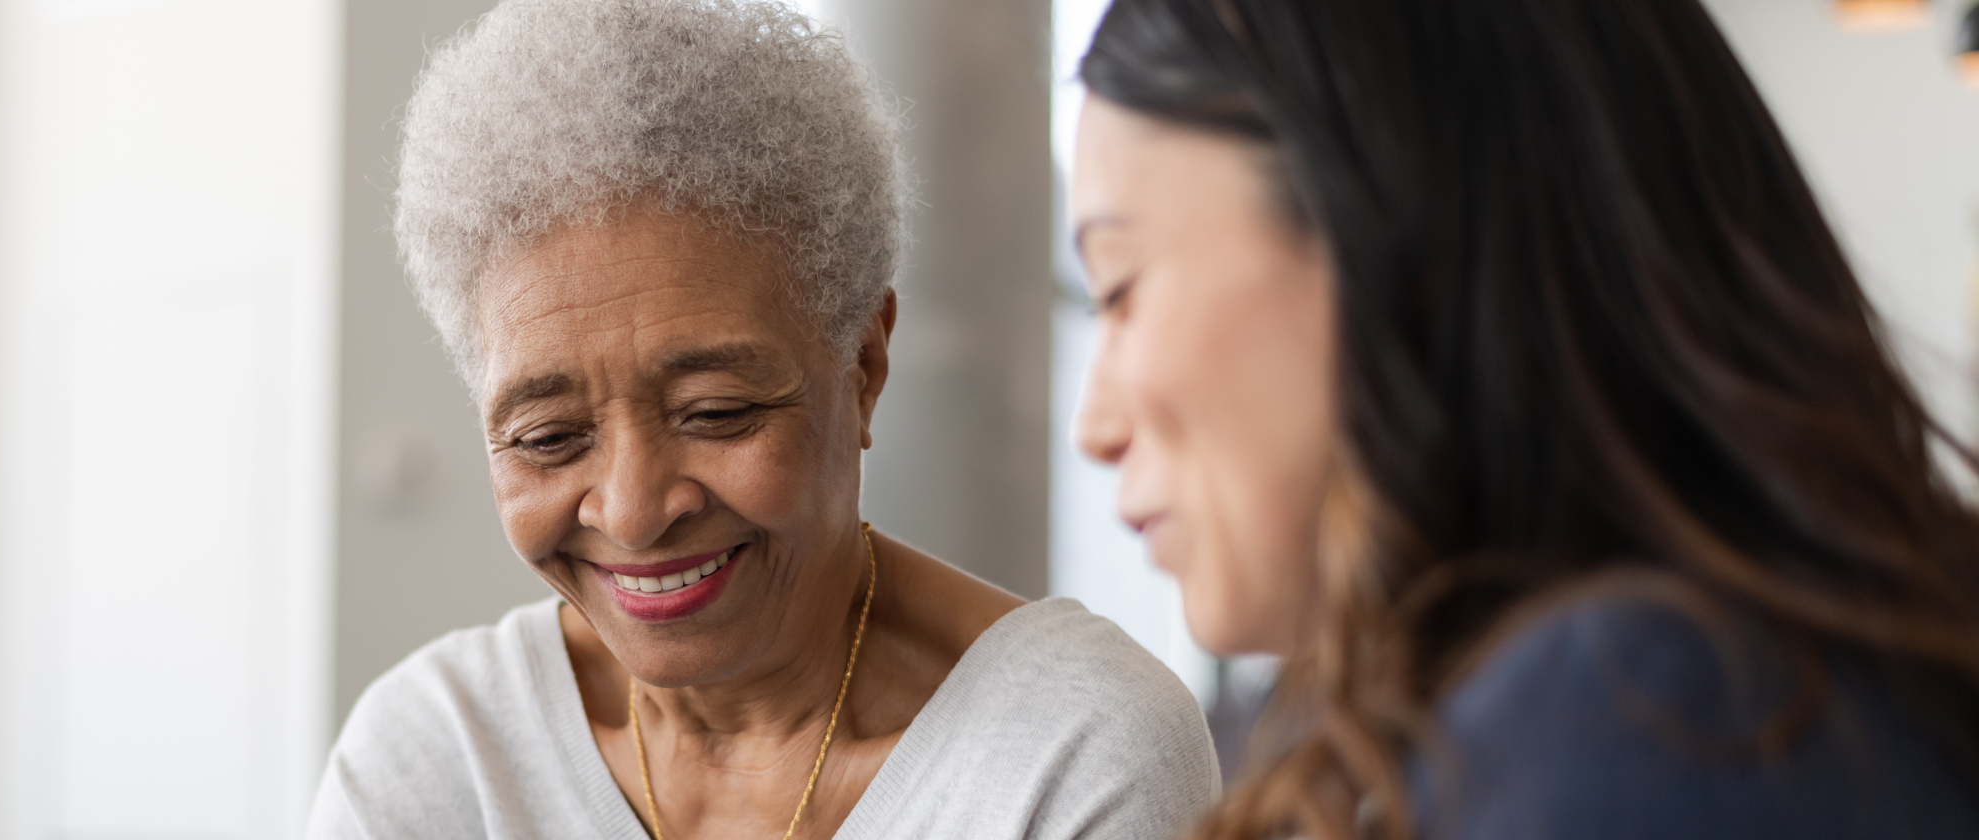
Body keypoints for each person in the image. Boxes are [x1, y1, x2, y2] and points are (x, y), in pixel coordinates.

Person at [1067, 0, 1979, 838]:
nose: (1093, 426)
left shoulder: (1641, 719)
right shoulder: (1735, 689)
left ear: (1379, 225)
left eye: (1120, 287)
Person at [307, 1, 1219, 838]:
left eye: (717, 413)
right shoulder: (438, 757)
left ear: (864, 362)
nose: (632, 512)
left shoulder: (1070, 755)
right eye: (550, 438)